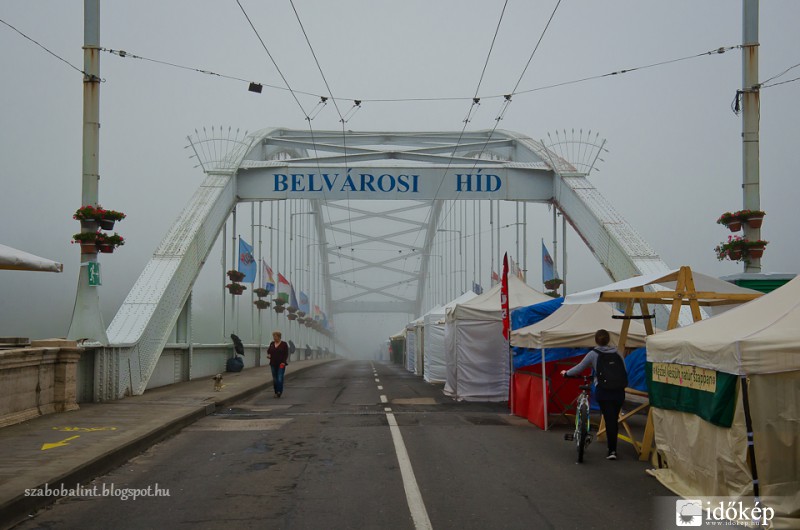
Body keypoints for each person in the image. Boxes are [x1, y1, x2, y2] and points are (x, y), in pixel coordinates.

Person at [560, 329, 627, 460]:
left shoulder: (593, 354)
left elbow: (579, 367)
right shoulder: (618, 353)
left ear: (596, 340)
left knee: (609, 419)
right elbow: (624, 371)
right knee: (613, 420)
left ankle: (611, 450)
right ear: (608, 340)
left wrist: (566, 373)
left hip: (604, 390)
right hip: (619, 391)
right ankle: (612, 450)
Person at [267, 330, 289, 398]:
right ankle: (276, 391)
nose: (274, 338)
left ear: (279, 337)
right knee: (275, 378)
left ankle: (279, 391)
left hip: (281, 364)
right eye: (274, 336)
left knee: (280, 377)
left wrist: (283, 362)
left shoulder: (284, 344)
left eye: (275, 336)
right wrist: (269, 355)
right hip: (273, 363)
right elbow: (269, 351)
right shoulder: (272, 344)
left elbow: (286, 354)